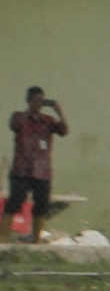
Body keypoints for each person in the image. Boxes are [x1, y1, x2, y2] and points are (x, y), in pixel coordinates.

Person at [7, 87, 69, 243]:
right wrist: (30, 113)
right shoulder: (19, 117)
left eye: (41, 101)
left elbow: (63, 131)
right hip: (22, 169)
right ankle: (3, 238)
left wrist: (59, 112)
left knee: (41, 205)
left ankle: (36, 240)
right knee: (15, 202)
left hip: (42, 170)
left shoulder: (47, 121)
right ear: (28, 100)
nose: (38, 104)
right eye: (35, 100)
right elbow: (14, 125)